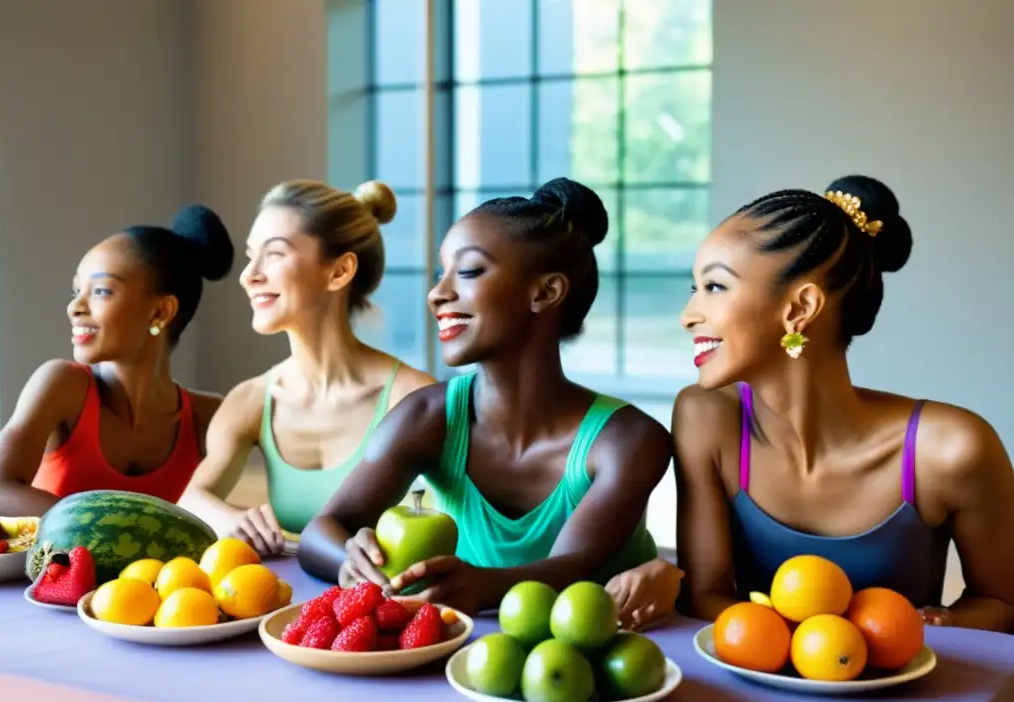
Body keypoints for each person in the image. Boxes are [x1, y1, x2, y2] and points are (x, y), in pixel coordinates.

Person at [609, 175, 1014, 634]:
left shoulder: (950, 449)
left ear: (800, 308)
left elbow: (1003, 602)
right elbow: (707, 597)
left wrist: (941, 624)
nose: (688, 316)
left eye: (715, 287)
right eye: (694, 288)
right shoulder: (705, 419)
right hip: (758, 696)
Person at [296, 177, 672, 622]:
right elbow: (321, 531)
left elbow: (570, 570)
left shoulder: (628, 440)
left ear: (545, 292)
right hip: (460, 659)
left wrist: (480, 583)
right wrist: (350, 558)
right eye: (441, 273)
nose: (437, 293)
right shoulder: (426, 416)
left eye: (469, 271)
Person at [178, 179, 435, 556]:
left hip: (385, 607)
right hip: (281, 610)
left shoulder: (412, 399)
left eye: (275, 254)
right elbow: (192, 499)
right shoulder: (251, 399)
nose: (249, 275)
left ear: (340, 271)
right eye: (251, 256)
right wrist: (232, 520)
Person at [0, 205, 235, 517]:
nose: (74, 307)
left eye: (101, 291)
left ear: (161, 312)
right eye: (77, 290)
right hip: (51, 567)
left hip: (162, 569)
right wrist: (113, 527)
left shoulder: (209, 418)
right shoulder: (62, 386)